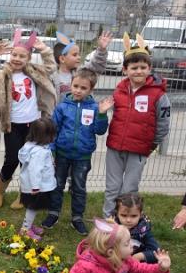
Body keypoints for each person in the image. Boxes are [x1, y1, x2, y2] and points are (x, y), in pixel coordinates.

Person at [102, 34, 170, 219]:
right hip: (115, 147)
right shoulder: (119, 90)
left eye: (142, 67)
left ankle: (126, 222)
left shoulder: (158, 95)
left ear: (150, 68)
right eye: (134, 68)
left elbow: (163, 125)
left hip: (139, 150)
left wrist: (151, 145)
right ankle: (109, 220)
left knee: (129, 189)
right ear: (125, 70)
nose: (138, 71)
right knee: (112, 187)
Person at [0, 30, 56, 209]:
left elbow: (51, 67)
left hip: (34, 125)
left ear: (29, 58)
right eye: (14, 55)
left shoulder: (33, 71)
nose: (17, 58)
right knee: (12, 158)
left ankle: (24, 195)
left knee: (30, 162)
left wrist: (44, 50)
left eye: (22, 56)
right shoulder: (2, 75)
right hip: (13, 125)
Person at [43, 68, 112, 235]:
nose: (78, 90)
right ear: (71, 85)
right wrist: (51, 151)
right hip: (62, 154)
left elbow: (100, 130)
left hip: (82, 156)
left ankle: (77, 217)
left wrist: (102, 115)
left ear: (91, 90)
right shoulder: (62, 107)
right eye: (75, 86)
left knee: (79, 187)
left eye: (83, 88)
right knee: (57, 184)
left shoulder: (95, 108)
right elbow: (53, 130)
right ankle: (53, 213)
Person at [17, 117, 57, 241]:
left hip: (31, 185)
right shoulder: (39, 152)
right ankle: (25, 229)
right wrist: (35, 186)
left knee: (33, 208)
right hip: (36, 187)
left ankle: (28, 225)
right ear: (46, 136)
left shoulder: (30, 146)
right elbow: (34, 170)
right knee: (32, 208)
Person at [114, 192, 161, 273]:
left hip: (135, 259)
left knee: (157, 260)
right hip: (116, 257)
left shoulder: (143, 230)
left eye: (133, 216)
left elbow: (156, 250)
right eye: (123, 215)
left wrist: (138, 256)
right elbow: (100, 245)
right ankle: (116, 272)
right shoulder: (112, 227)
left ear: (140, 214)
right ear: (117, 213)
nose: (128, 220)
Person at [52, 31, 111, 97]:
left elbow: (96, 65)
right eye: (75, 55)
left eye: (79, 54)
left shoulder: (82, 72)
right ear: (62, 59)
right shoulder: (52, 77)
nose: (79, 57)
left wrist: (101, 50)